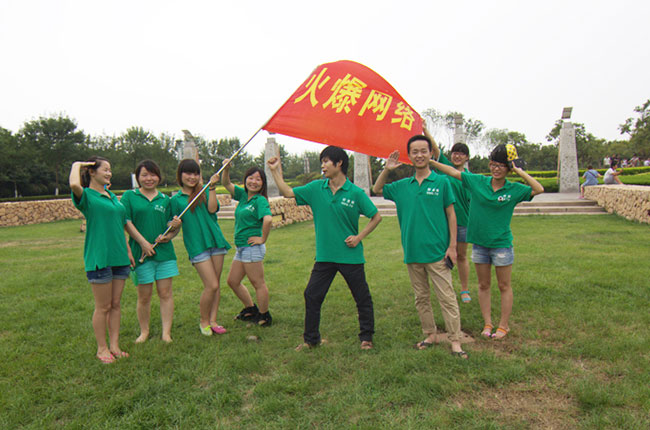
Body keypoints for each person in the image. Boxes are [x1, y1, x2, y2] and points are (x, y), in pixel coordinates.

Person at [267, 146, 382, 350]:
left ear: (339, 163)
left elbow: (376, 217)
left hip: (350, 256)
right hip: (325, 256)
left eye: (326, 161)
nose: (323, 165)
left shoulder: (355, 193)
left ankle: (367, 337)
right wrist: (275, 171)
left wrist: (359, 237)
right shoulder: (316, 189)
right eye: (322, 162)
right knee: (312, 295)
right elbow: (287, 192)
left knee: (362, 298)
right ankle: (311, 340)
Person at [431, 145, 544, 340]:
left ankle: (503, 325)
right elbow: (452, 172)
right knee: (483, 285)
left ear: (508, 168)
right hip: (480, 245)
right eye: (493, 164)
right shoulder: (478, 182)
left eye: (501, 166)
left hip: (501, 245)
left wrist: (518, 170)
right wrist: (431, 162)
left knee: (504, 285)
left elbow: (538, 189)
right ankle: (488, 323)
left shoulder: (513, 189)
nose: (496, 169)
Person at [372, 136, 467, 359]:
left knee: (447, 298)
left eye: (423, 151)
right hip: (413, 252)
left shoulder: (442, 182)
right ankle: (430, 334)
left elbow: (451, 215)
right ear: (409, 156)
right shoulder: (402, 187)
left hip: (438, 252)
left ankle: (455, 341)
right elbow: (377, 189)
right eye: (414, 152)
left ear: (430, 154)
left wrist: (452, 247)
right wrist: (387, 169)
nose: (419, 155)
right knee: (421, 297)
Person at [69, 156, 134, 364]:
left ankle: (114, 346)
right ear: (91, 172)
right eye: (105, 169)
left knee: (115, 304)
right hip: (99, 257)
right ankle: (102, 348)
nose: (109, 173)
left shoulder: (112, 197)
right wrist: (77, 165)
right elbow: (74, 184)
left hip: (119, 257)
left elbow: (119, 225)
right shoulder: (86, 196)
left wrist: (128, 251)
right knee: (103, 307)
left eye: (110, 170)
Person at [170, 159, 231, 336]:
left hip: (215, 241)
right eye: (188, 173)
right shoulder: (176, 200)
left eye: (196, 173)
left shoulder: (204, 191)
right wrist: (173, 225)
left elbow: (212, 209)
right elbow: (172, 225)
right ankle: (204, 321)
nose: (192, 177)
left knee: (216, 285)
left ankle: (213, 320)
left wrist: (211, 188)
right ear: (180, 175)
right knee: (211, 285)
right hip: (197, 245)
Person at [121, 160, 179, 343]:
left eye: (153, 175)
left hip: (165, 254)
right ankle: (144, 331)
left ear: (159, 177)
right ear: (137, 177)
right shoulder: (129, 196)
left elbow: (172, 227)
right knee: (144, 296)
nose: (149, 178)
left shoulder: (165, 200)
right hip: (141, 255)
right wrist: (143, 243)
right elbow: (126, 222)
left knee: (165, 293)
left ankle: (166, 333)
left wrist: (171, 232)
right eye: (144, 175)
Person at [221, 160, 274, 326]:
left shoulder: (260, 200)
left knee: (258, 283)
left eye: (258, 179)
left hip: (252, 248)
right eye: (251, 178)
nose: (254, 182)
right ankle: (251, 309)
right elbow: (226, 183)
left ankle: (264, 316)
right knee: (232, 281)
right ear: (245, 180)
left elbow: (268, 219)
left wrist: (262, 238)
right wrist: (226, 168)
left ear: (263, 183)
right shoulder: (244, 196)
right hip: (242, 248)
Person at [424, 126, 472, 303]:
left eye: (461, 154)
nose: (457, 156)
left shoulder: (470, 178)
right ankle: (445, 288)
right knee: (441, 256)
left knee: (461, 255)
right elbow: (435, 149)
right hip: (442, 222)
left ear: (467, 157)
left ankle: (464, 289)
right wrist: (425, 131)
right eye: (454, 153)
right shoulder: (446, 167)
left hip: (463, 222)